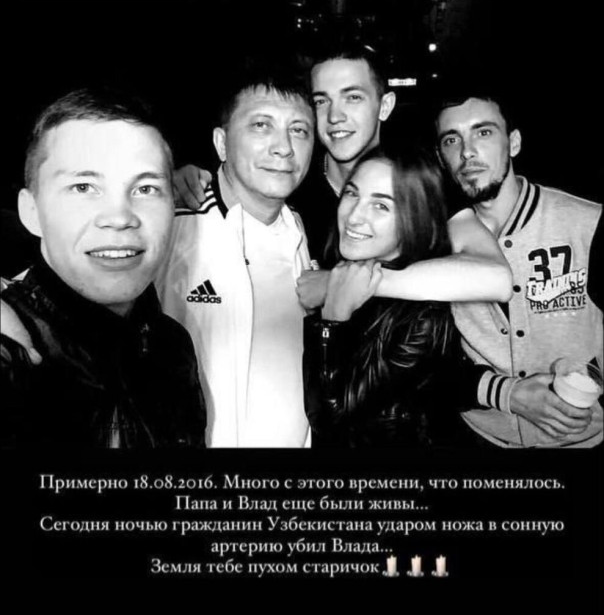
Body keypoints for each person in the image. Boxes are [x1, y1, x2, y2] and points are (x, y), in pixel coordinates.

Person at [174, 39, 512, 306]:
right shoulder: (289, 178)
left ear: (385, 106)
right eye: (322, 101)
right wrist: (174, 182)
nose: (335, 116)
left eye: (353, 97)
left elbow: (495, 276)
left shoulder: (419, 179)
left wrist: (347, 283)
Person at [1, 88, 207, 448]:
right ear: (31, 211)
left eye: (145, 188)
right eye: (83, 187)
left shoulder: (173, 348)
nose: (120, 217)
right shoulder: (14, 351)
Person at [155, 66, 316, 447]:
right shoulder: (172, 226)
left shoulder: (298, 229)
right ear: (222, 143)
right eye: (261, 125)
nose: (284, 147)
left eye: (298, 130)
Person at [435, 89, 603, 448]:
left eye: (483, 132)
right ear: (440, 157)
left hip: (585, 439)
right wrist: (505, 393)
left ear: (513, 142)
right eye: (451, 140)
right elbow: (426, 360)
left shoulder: (587, 223)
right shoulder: (433, 243)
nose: (466, 152)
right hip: (481, 438)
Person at [303, 144, 484, 447]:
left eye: (381, 206)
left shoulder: (423, 316)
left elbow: (330, 420)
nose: (354, 216)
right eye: (352, 194)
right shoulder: (346, 265)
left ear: (415, 219)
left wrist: (333, 318)